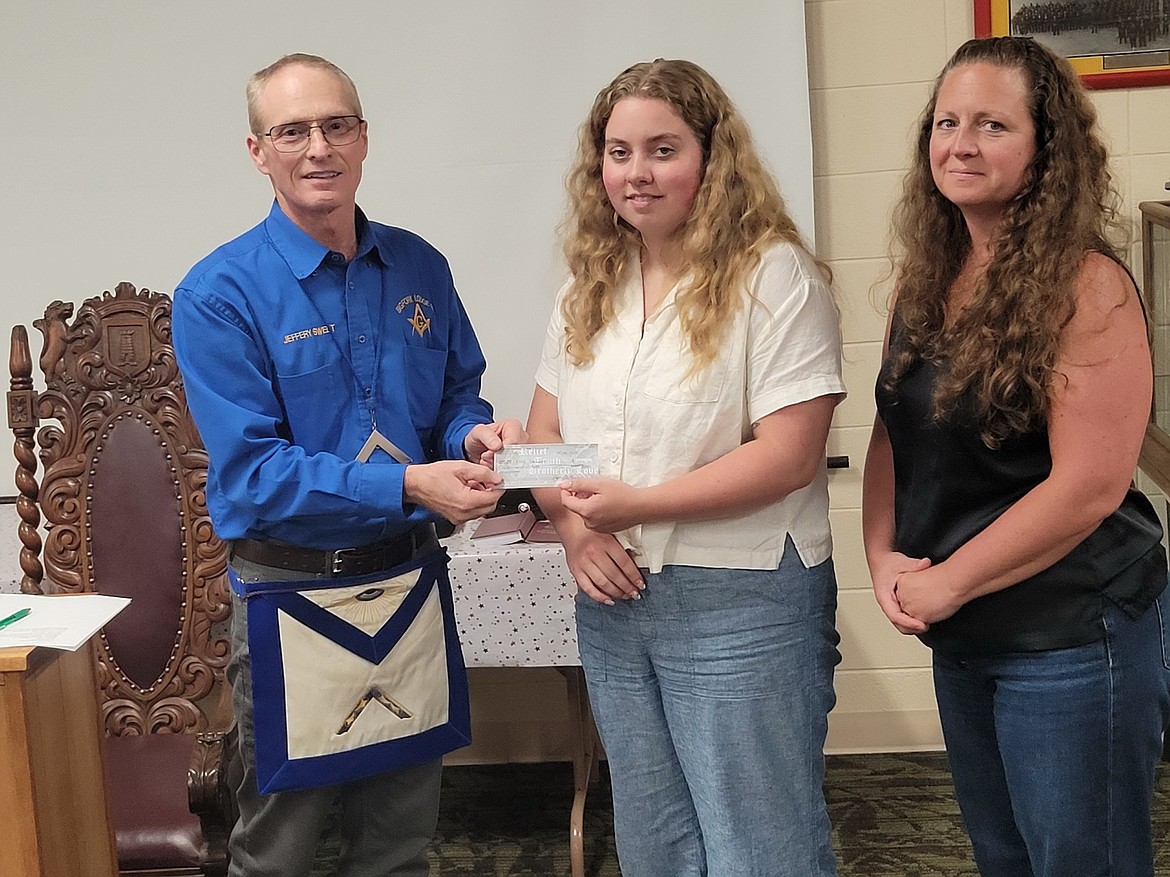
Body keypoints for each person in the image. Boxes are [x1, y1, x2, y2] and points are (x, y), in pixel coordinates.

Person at [172, 53, 522, 877]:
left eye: (336, 125)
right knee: (279, 854)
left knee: (401, 845)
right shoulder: (219, 293)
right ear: (258, 151)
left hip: (408, 588)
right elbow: (255, 473)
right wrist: (408, 484)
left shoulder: (420, 266)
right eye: (292, 130)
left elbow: (455, 400)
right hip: (290, 602)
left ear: (364, 139)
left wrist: (470, 439)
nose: (318, 147)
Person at [526, 59, 846, 877]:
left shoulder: (774, 274)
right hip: (613, 598)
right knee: (655, 839)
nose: (637, 173)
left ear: (712, 156)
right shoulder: (587, 283)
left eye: (663, 149)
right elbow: (545, 435)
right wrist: (569, 528)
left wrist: (637, 503)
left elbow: (790, 453)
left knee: (758, 843)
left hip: (741, 599)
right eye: (619, 151)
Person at [862, 36, 1170, 877]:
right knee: (1004, 856)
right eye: (946, 121)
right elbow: (893, 430)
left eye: (992, 125)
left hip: (1070, 631)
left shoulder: (1087, 284)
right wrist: (881, 554)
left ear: (1046, 151)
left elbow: (1089, 488)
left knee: (1082, 861)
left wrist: (947, 580)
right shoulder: (927, 276)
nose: (959, 143)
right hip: (964, 629)